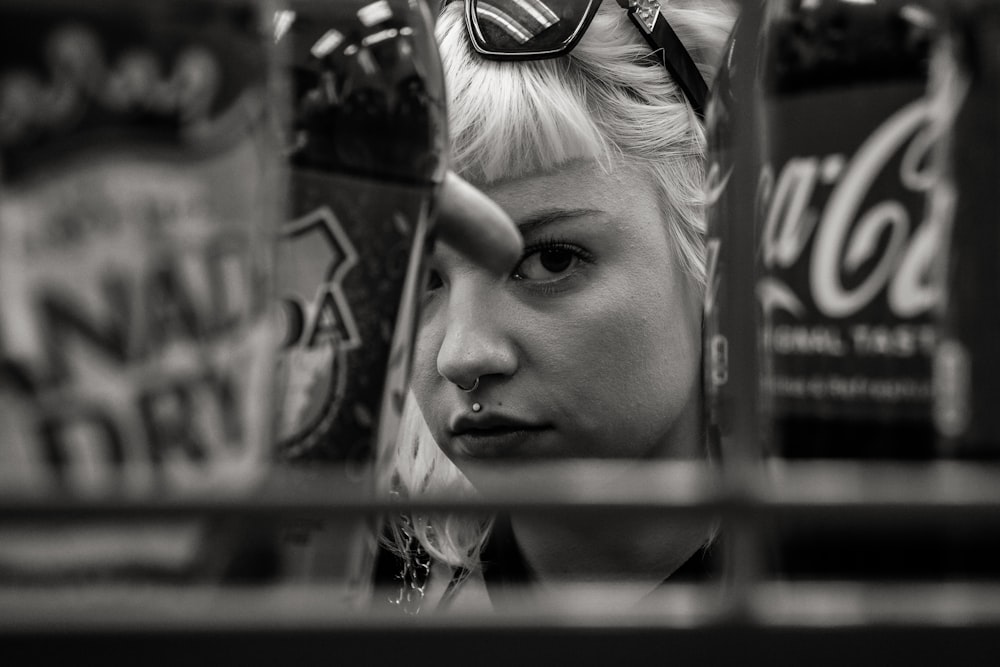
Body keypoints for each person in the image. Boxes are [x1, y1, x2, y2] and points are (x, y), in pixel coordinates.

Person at [377, 0, 736, 613]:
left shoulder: (900, 585)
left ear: (714, 247)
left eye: (550, 260)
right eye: (421, 280)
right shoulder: (354, 581)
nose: (462, 358)